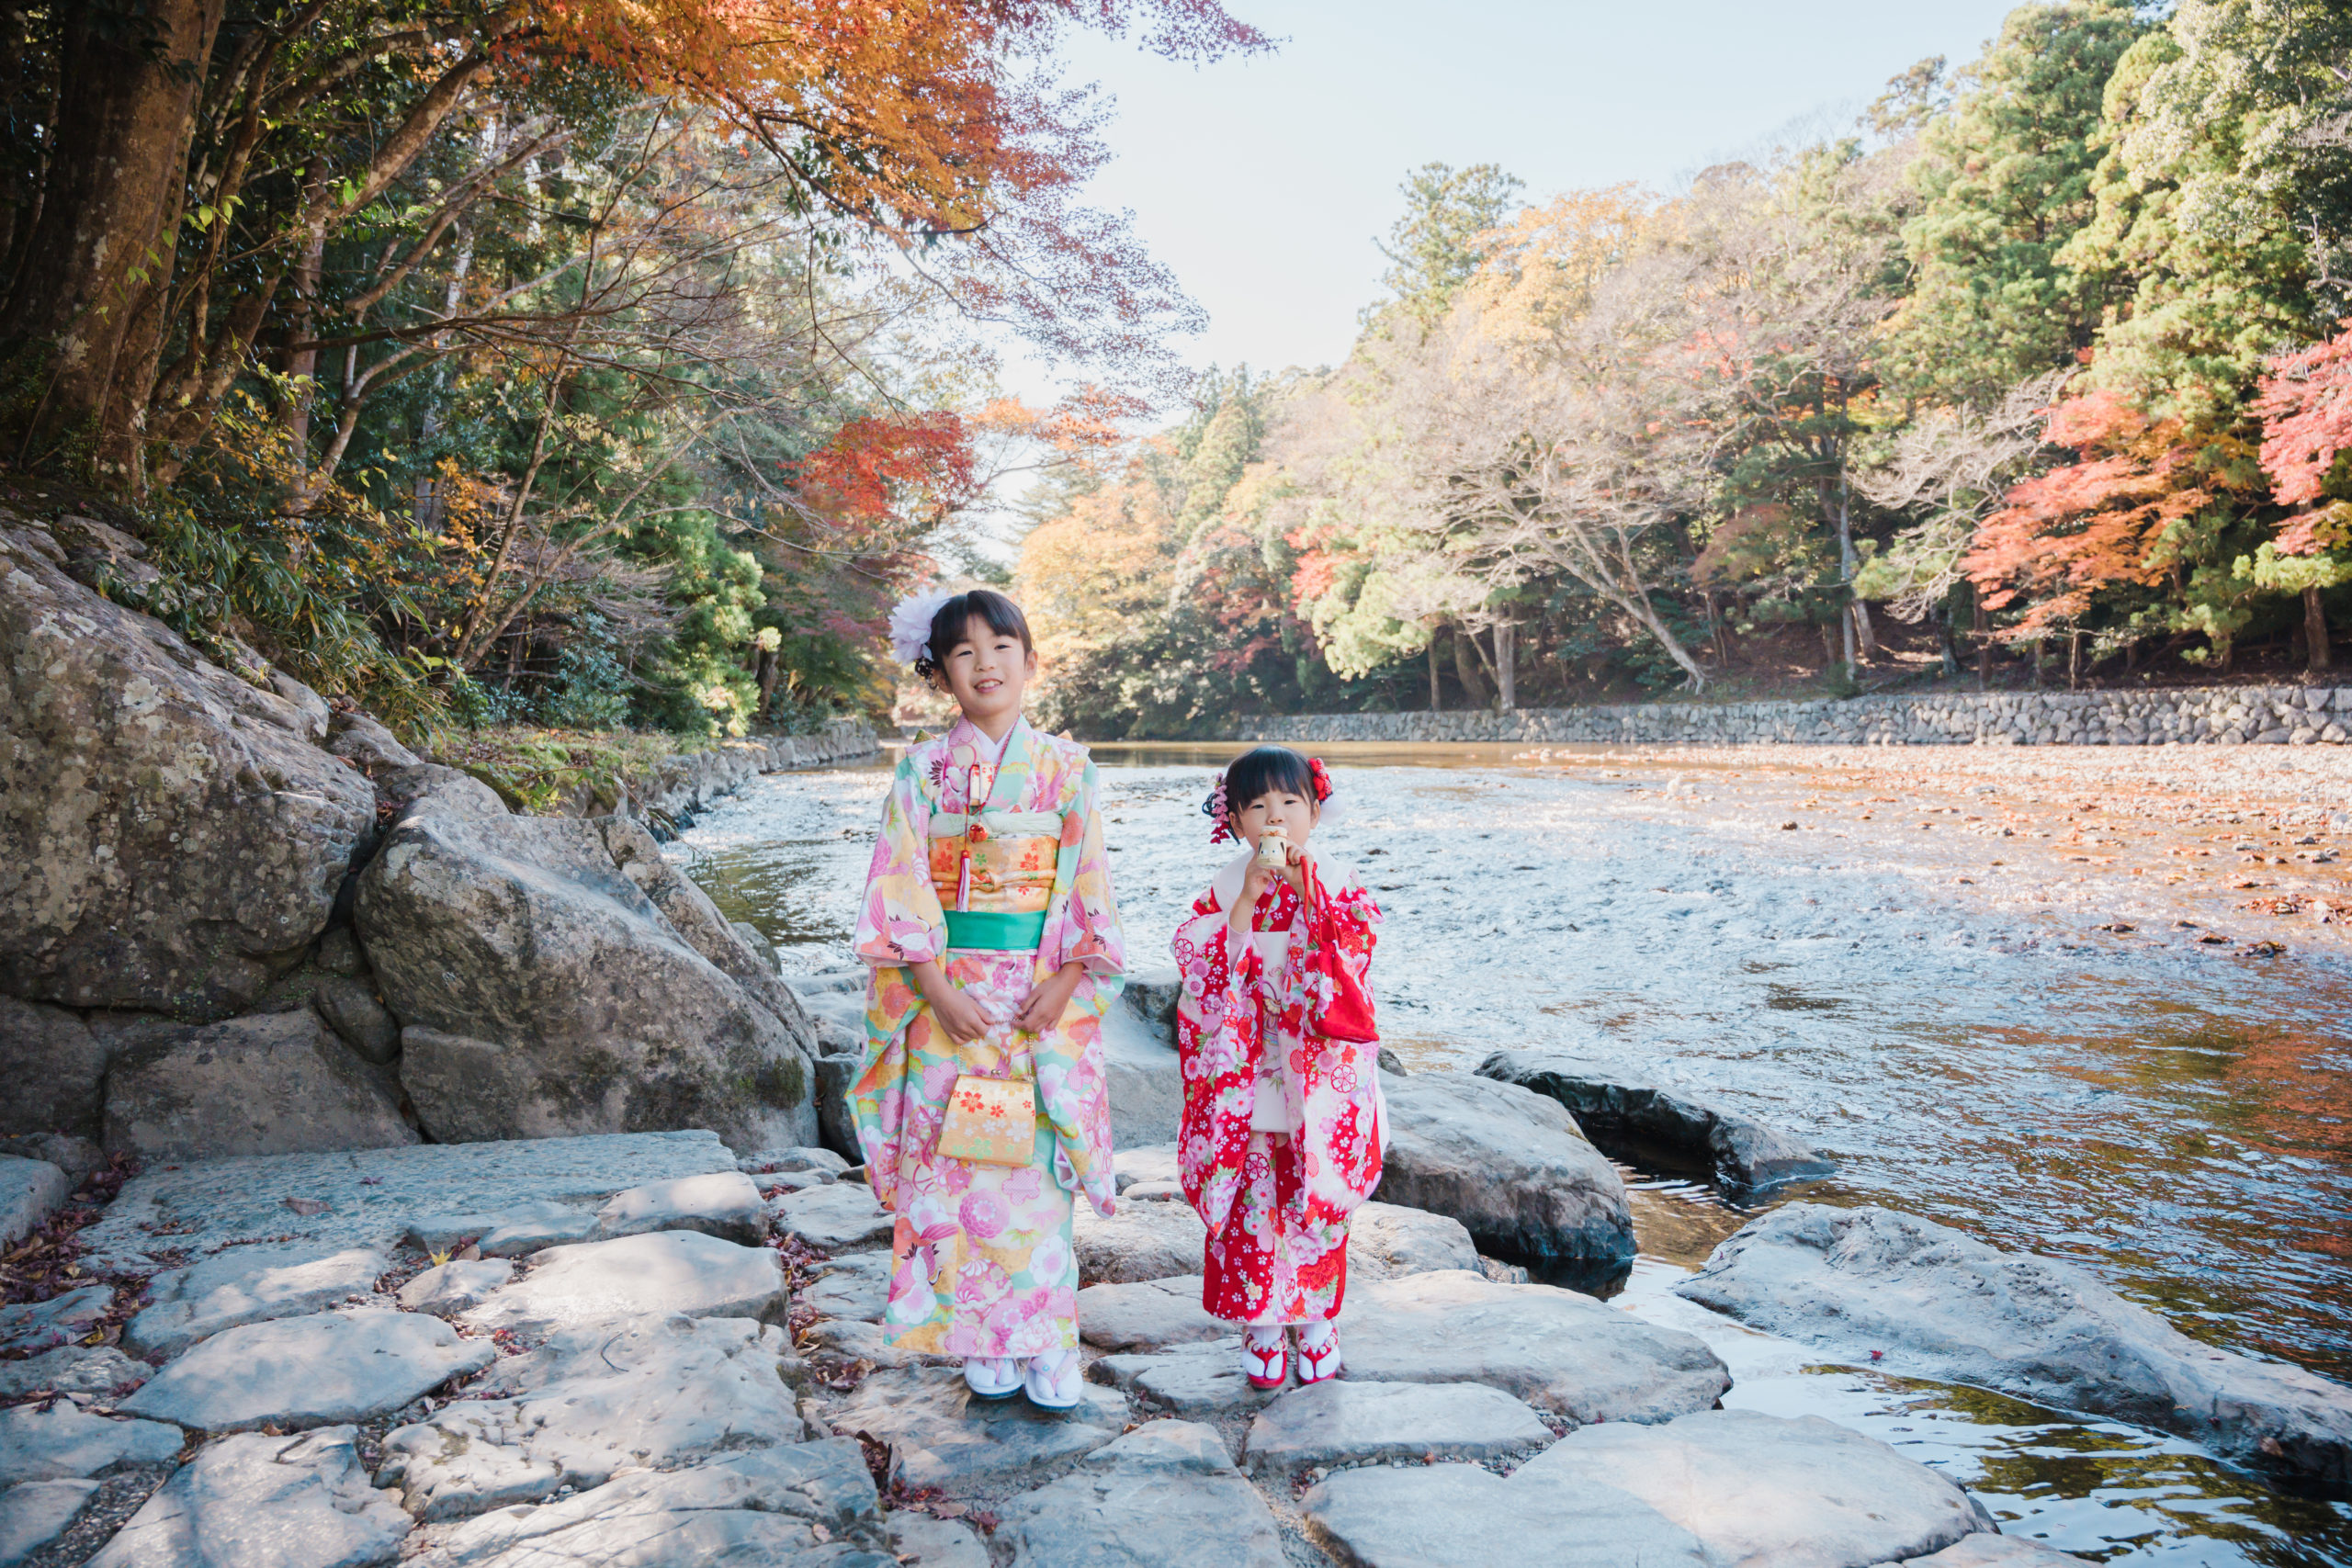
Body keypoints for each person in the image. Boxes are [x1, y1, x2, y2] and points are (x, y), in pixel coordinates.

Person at [850, 587, 1121, 1412]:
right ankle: (978, 1340)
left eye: (1002, 646)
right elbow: (897, 882)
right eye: (964, 652)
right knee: (953, 1166)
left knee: (1036, 1174)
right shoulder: (920, 771)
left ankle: (1047, 1341)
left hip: (1038, 1002)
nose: (986, 664)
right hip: (947, 1003)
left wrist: (1067, 982)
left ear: (1030, 660)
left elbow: (1090, 888)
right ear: (941, 676)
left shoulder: (1067, 770)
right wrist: (931, 987)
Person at [1169, 745, 1385, 1389]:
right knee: (1254, 1200)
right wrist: (1246, 905)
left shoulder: (1335, 877)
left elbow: (1357, 950)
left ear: (1315, 811)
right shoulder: (1228, 883)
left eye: (1290, 803)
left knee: (1313, 1197)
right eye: (1257, 805)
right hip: (1248, 1064)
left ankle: (1318, 1320)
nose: (1275, 818)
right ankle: (1262, 1322)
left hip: (1318, 1073)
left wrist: (1305, 891)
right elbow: (1199, 970)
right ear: (1233, 818)